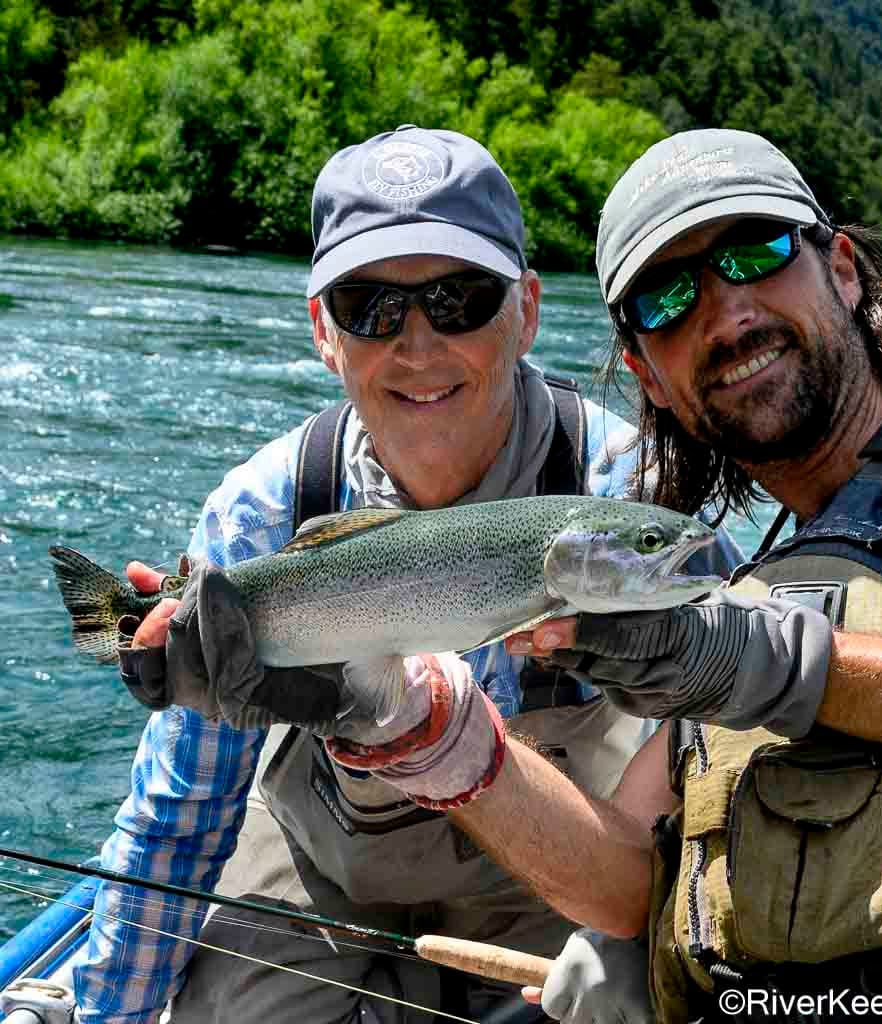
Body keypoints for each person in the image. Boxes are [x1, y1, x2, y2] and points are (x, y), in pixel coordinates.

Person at [110, 127, 882, 1021]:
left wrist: (770, 664)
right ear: (648, 371)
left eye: (756, 252)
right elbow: (632, 874)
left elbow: (640, 874)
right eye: (667, 297)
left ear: (846, 268)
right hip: (325, 880)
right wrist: (423, 729)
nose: (725, 311)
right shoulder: (266, 507)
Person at [73, 124, 743, 1024]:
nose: (418, 346)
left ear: (528, 310)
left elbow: (724, 769)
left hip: (563, 880)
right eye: (370, 307)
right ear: (323, 330)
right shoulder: (264, 509)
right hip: (322, 884)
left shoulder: (625, 491)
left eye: (461, 299)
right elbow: (179, 815)